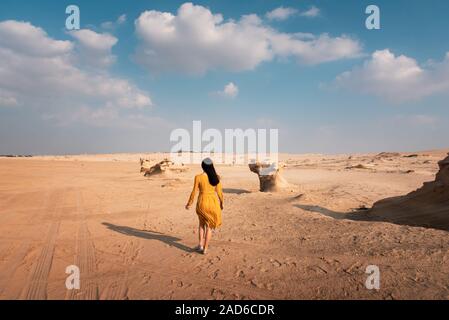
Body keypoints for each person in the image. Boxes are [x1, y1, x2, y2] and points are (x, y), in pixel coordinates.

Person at [185, 158, 223, 254]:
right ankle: (205, 249)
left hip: (202, 202)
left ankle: (200, 245)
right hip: (213, 203)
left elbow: (194, 191)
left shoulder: (198, 177)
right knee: (209, 227)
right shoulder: (216, 177)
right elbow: (219, 192)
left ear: (203, 166)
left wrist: (189, 203)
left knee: (201, 225)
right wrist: (221, 203)